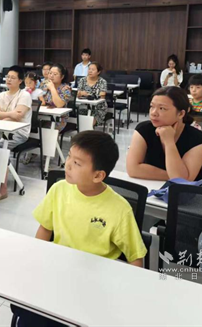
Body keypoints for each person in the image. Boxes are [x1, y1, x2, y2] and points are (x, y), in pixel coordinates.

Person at [13, 131, 147, 327]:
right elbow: (45, 229)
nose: (67, 164)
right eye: (69, 156)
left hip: (95, 284)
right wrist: (36, 262)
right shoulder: (59, 189)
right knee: (27, 312)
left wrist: (127, 298)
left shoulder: (119, 209)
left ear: (98, 175)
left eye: (77, 163)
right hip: (58, 273)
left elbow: (135, 257)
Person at [127, 87, 202, 181]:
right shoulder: (143, 129)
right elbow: (133, 169)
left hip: (182, 190)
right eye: (152, 106)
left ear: (181, 114)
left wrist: (169, 142)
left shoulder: (198, 138)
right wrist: (174, 176)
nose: (153, 113)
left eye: (162, 108)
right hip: (151, 186)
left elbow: (183, 182)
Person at [0, 65, 32, 200]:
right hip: (1, 129)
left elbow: (18, 116)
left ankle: (2, 189)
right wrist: (10, 115)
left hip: (19, 132)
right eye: (7, 77)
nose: (9, 79)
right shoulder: (1, 95)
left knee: (0, 149)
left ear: (20, 81)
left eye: (12, 78)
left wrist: (3, 116)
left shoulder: (24, 95)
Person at [40, 64, 72, 131]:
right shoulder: (44, 85)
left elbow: (59, 105)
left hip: (58, 119)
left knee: (45, 130)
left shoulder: (66, 89)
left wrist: (52, 88)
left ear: (62, 76)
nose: (51, 76)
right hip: (43, 115)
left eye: (55, 74)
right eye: (50, 73)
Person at [76, 62, 107, 126]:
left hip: (98, 107)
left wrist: (87, 94)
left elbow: (102, 96)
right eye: (89, 69)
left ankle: (89, 129)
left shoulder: (102, 82)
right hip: (84, 105)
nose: (90, 71)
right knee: (79, 120)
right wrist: (80, 93)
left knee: (89, 123)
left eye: (93, 69)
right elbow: (78, 93)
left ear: (98, 72)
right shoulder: (82, 80)